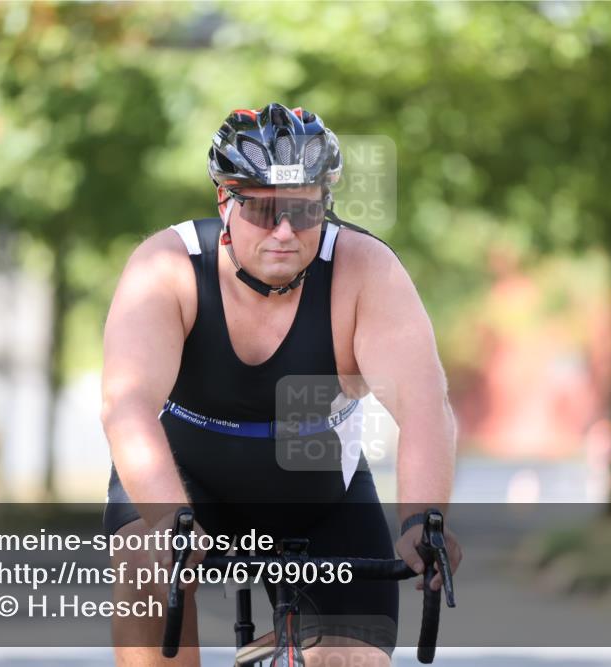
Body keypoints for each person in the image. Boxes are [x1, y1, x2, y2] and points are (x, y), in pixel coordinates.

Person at [100, 103, 461, 667]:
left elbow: (423, 406)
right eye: (264, 210)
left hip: (318, 498)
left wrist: (422, 520)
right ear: (225, 200)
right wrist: (168, 520)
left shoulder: (365, 269)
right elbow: (127, 406)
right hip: (184, 486)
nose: (286, 231)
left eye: (305, 209)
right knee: (144, 561)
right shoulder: (167, 267)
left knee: (354, 662)